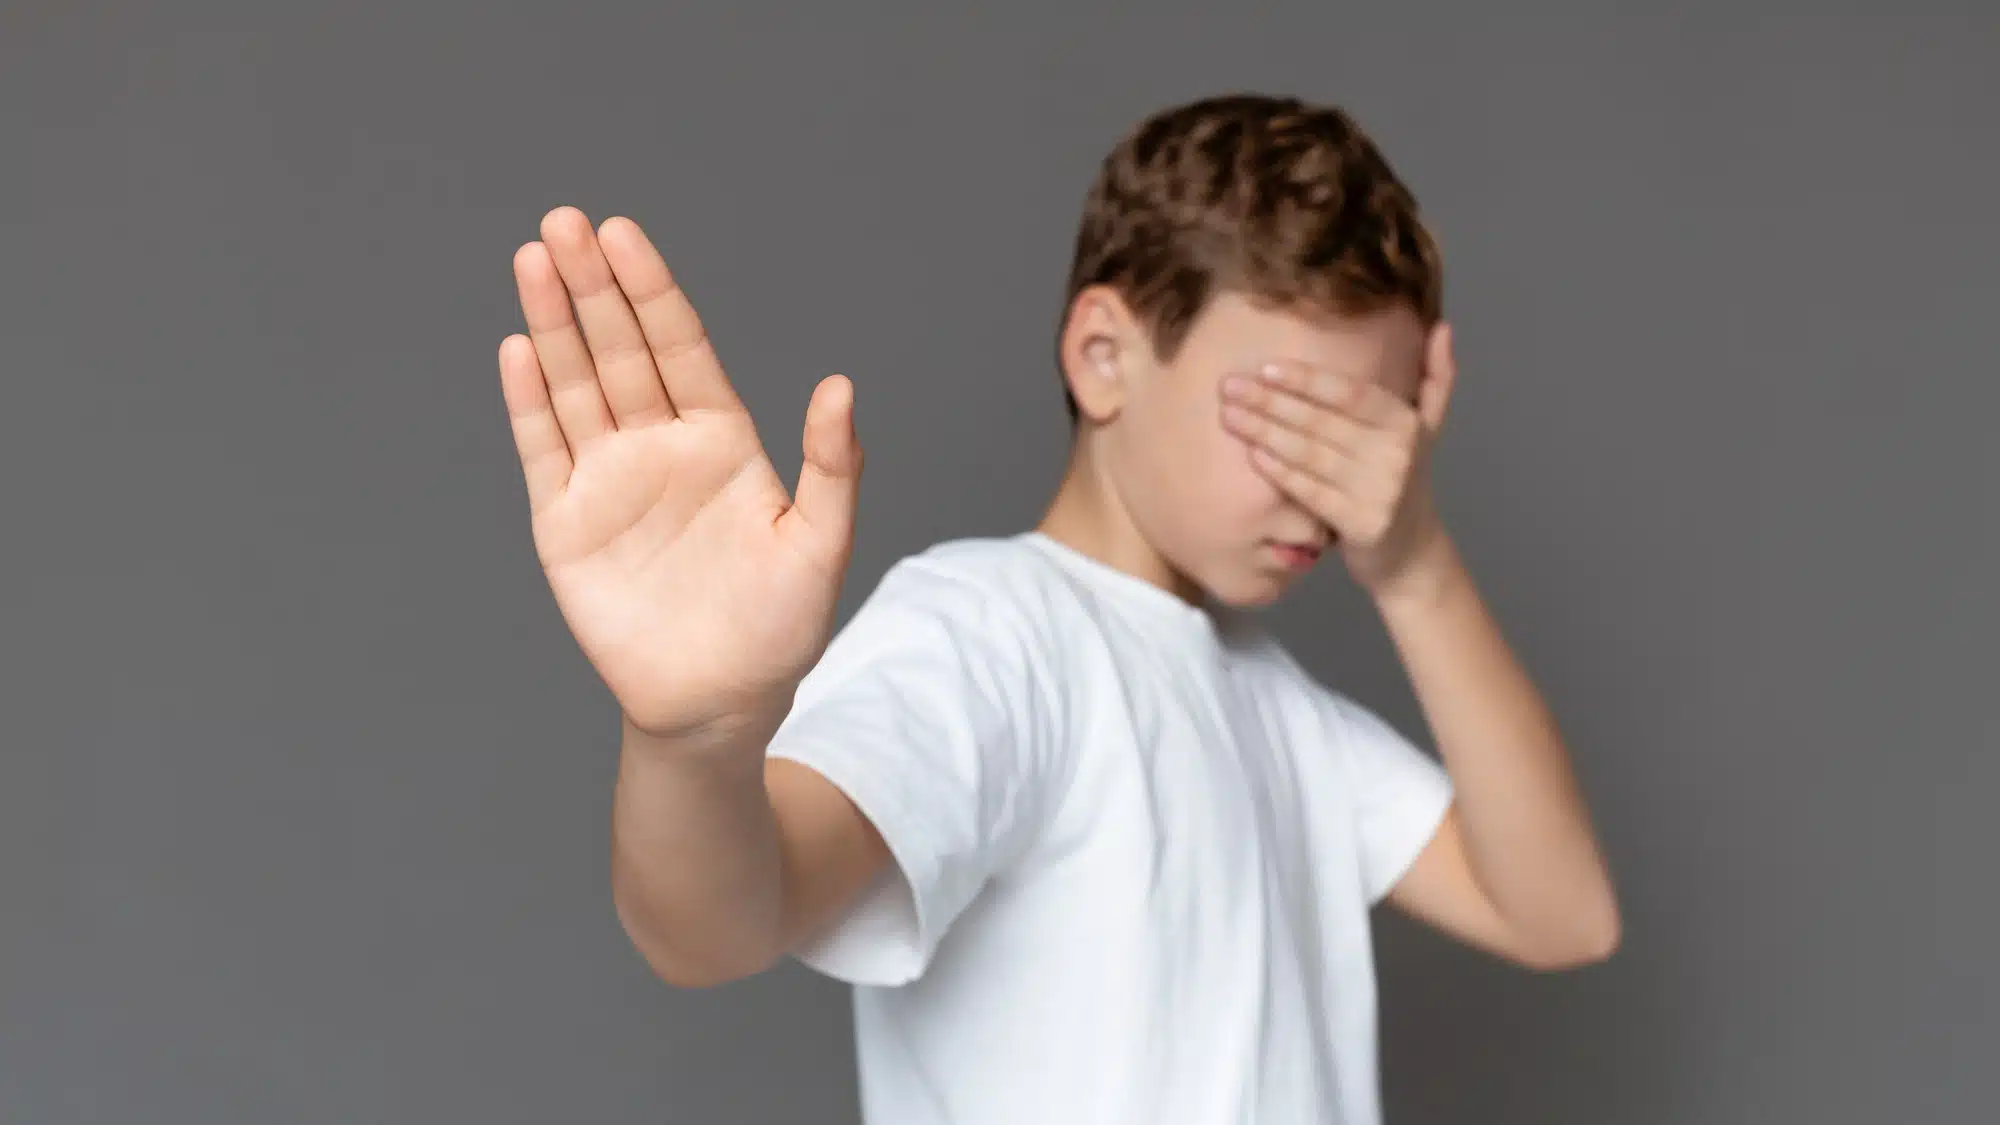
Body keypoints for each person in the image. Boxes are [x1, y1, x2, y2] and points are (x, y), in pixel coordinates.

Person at [495, 92, 1621, 1125]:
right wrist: (693, 741)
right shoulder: (990, 633)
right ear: (1103, 356)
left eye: (1369, 441)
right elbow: (719, 925)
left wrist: (1413, 560)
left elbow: (1560, 913)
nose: (1332, 489)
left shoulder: (1273, 703)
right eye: (1290, 423)